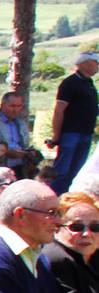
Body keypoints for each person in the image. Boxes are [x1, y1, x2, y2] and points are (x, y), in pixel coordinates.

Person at [44, 189, 99, 293]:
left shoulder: (93, 255)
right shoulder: (56, 258)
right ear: (57, 227)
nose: (87, 234)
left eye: (95, 227)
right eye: (76, 227)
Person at [49, 51, 99, 193]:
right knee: (62, 171)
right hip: (71, 133)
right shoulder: (70, 83)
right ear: (86, 63)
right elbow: (59, 110)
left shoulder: (88, 83)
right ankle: (54, 197)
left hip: (85, 133)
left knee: (76, 171)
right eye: (97, 63)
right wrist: (56, 135)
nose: (98, 67)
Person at [0, 91, 39, 178]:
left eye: (19, 106)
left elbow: (25, 145)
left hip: (21, 168)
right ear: (2, 105)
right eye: (12, 106)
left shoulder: (21, 124)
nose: (15, 110)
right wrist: (8, 152)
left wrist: (29, 153)